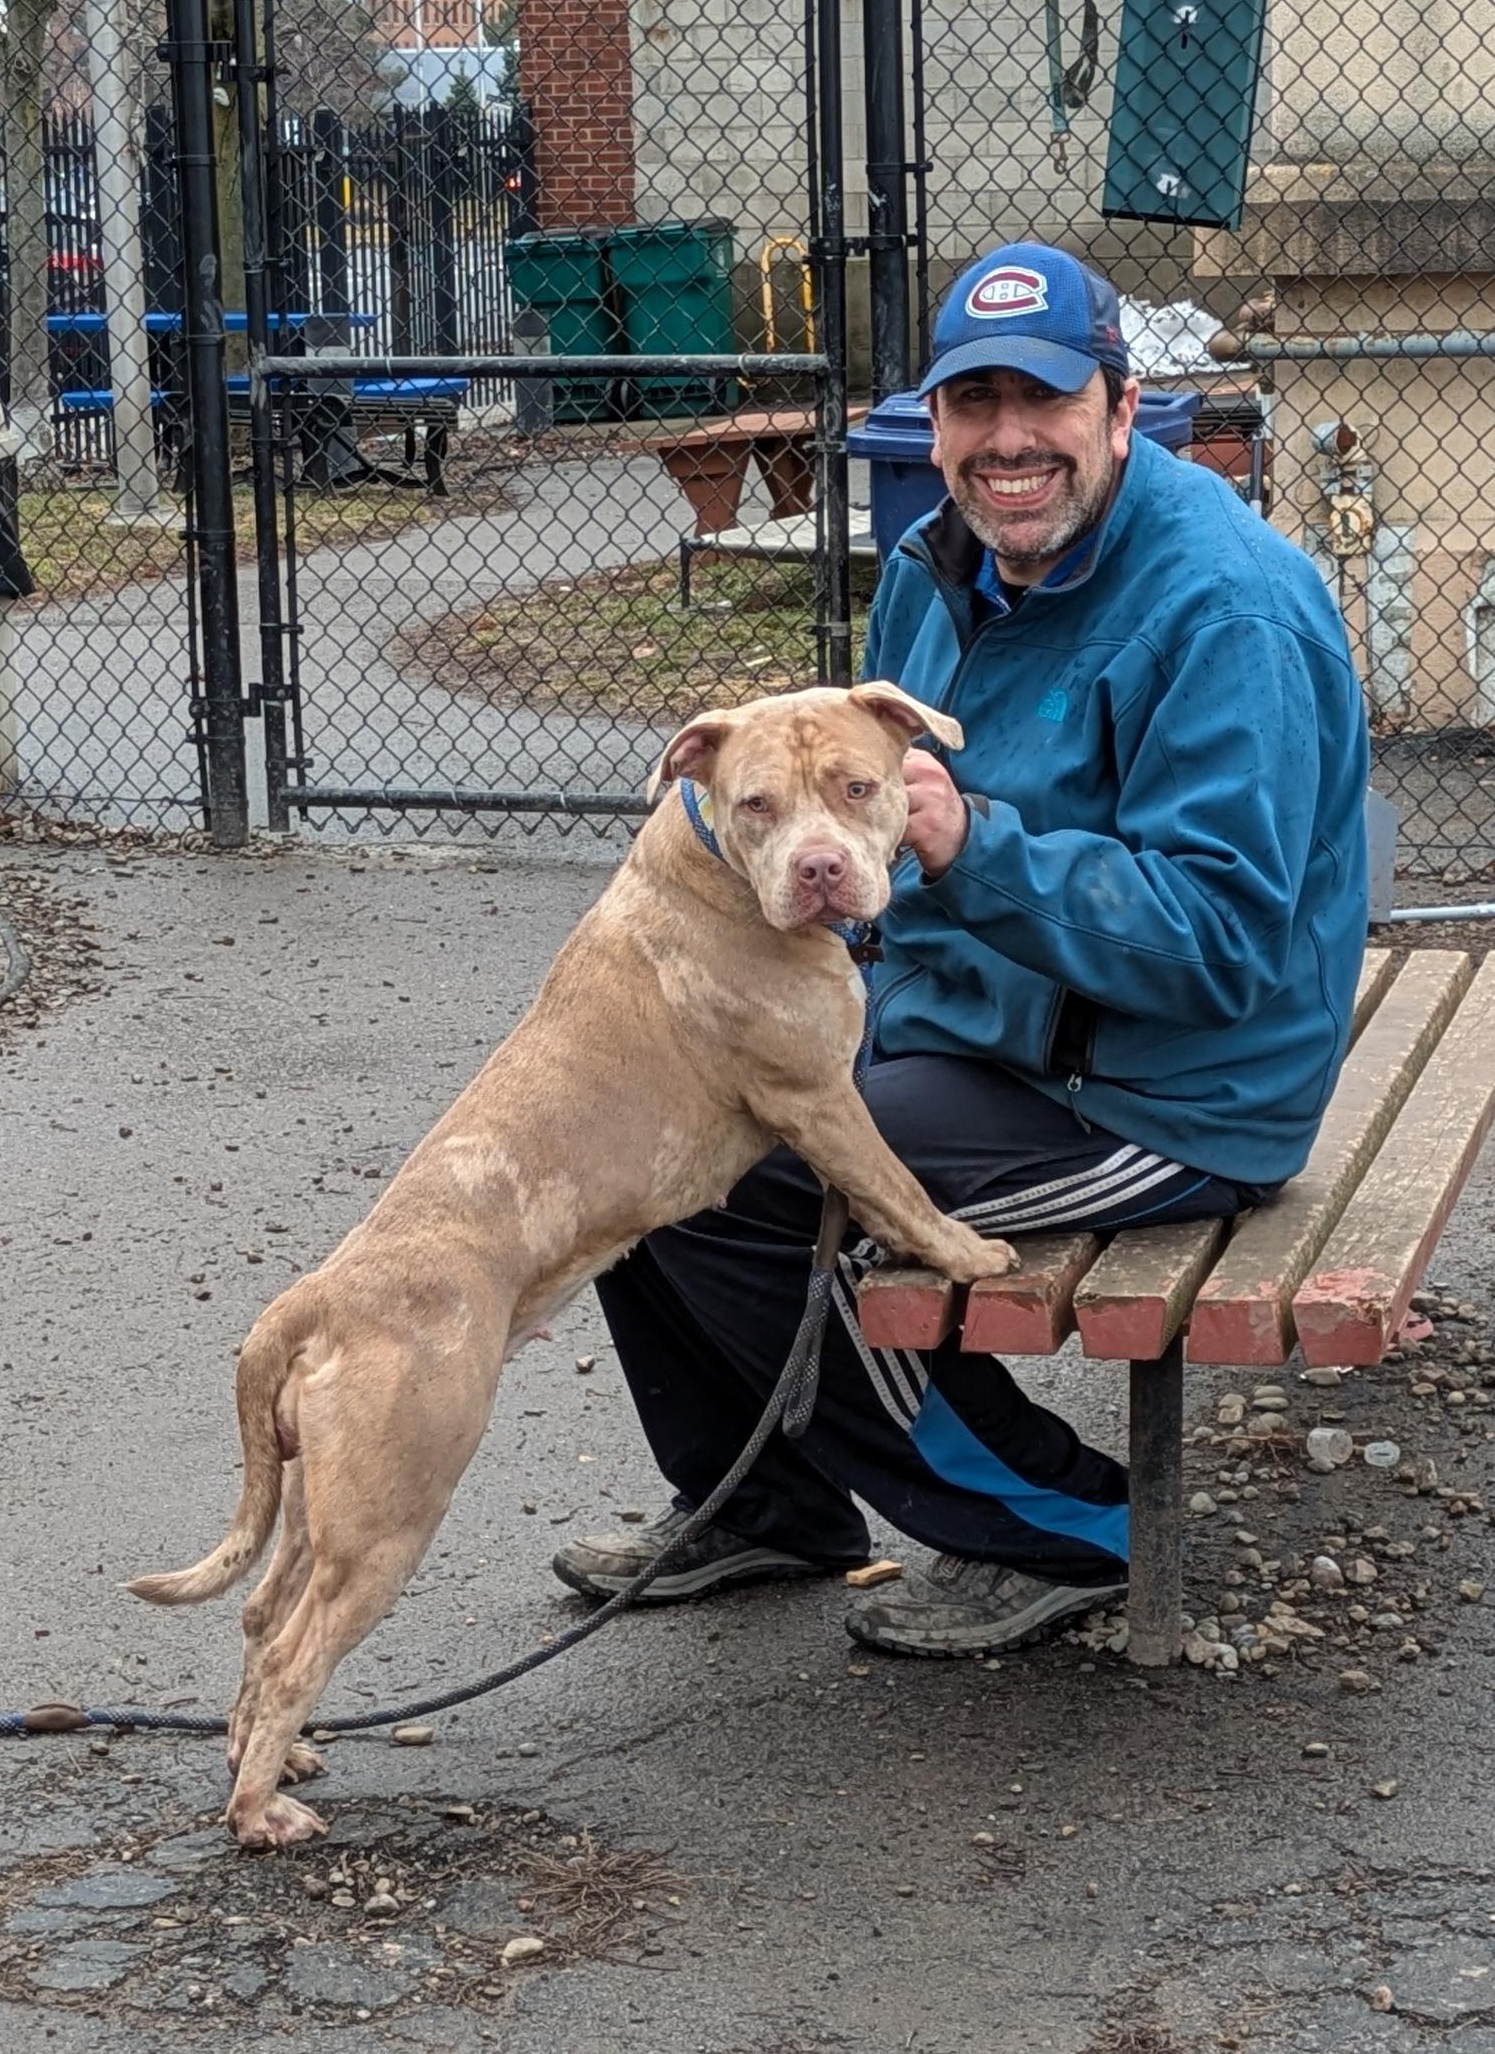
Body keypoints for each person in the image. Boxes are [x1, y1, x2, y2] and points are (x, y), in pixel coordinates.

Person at [554, 241, 1371, 1656]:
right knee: (635, 1111)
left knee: (758, 1186)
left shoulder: (1223, 607)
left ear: (1122, 410)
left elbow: (1226, 945)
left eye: (1044, 403)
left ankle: (1071, 1526)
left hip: (1171, 1086)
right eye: (971, 404)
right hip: (983, 1026)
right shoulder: (941, 571)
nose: (1006, 444)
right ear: (931, 425)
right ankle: (767, 1503)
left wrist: (973, 846)